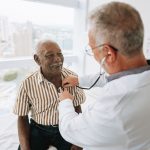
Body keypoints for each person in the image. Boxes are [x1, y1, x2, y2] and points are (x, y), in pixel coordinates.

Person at [58, 2, 150, 150]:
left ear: (108, 53)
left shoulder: (115, 109)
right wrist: (79, 80)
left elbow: (69, 129)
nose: (92, 53)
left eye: (91, 48)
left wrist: (65, 102)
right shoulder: (139, 74)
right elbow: (114, 78)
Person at [13, 39, 85, 150]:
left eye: (59, 54)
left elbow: (77, 108)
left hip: (65, 127)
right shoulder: (27, 84)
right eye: (49, 55)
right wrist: (24, 148)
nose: (57, 59)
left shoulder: (73, 77)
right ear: (37, 60)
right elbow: (22, 117)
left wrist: (78, 141)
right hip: (39, 129)